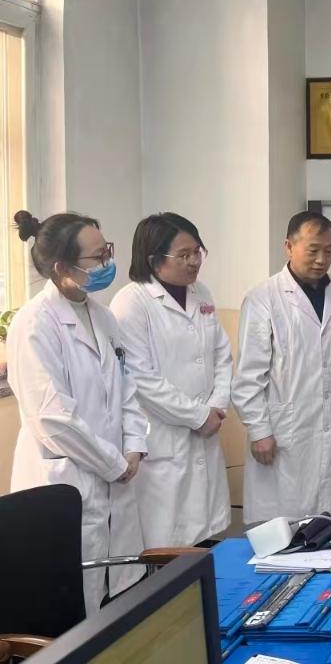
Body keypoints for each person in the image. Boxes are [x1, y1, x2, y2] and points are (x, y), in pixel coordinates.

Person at [7, 210, 147, 613]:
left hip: (116, 475)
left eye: (107, 252)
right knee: (72, 604)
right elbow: (52, 419)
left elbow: (127, 388)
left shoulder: (102, 316)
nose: (107, 263)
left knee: (117, 591)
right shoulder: (34, 324)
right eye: (98, 257)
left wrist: (134, 446)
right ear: (62, 268)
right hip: (67, 481)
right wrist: (113, 463)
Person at [232, 211, 331, 523]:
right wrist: (259, 431)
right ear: (289, 247)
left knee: (329, 525)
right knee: (283, 527)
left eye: (329, 250)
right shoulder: (263, 298)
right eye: (313, 250)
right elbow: (249, 376)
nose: (322, 259)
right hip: (284, 432)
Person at [109, 213, 231, 547]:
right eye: (184, 255)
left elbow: (221, 354)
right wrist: (198, 416)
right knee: (165, 544)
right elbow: (140, 378)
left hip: (206, 430)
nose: (194, 262)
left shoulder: (200, 293)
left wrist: (217, 405)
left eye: (197, 252)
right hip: (162, 438)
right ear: (153, 260)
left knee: (205, 541)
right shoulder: (131, 302)